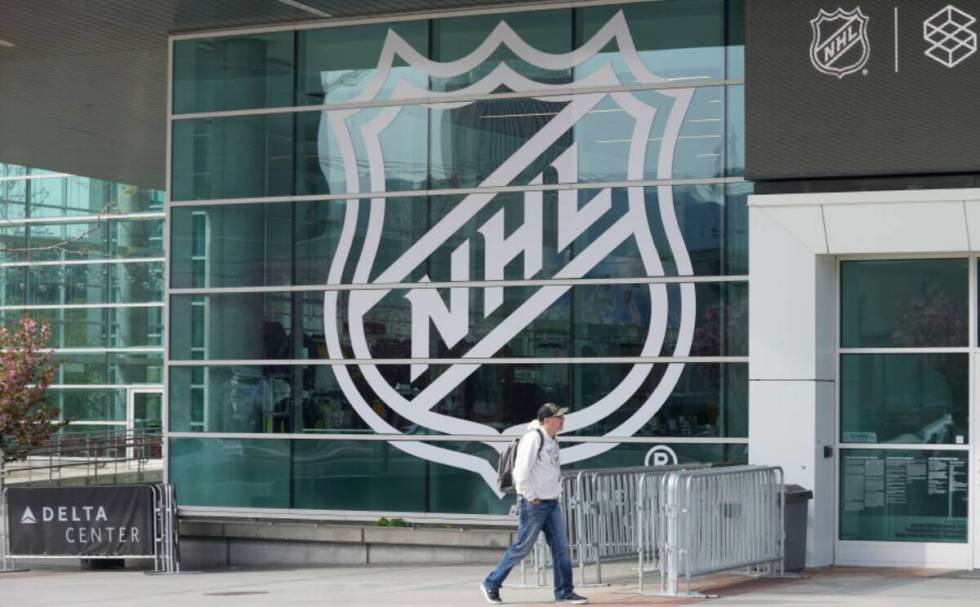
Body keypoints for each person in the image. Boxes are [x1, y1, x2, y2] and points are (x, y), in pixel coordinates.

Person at [480, 403, 588, 605]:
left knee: (561, 549)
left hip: (551, 502)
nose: (562, 420)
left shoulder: (553, 439)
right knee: (522, 548)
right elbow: (520, 472)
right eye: (559, 417)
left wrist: (556, 493)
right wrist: (531, 497)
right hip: (535, 504)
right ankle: (491, 583)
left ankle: (564, 593)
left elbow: (550, 470)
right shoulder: (534, 439)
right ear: (547, 420)